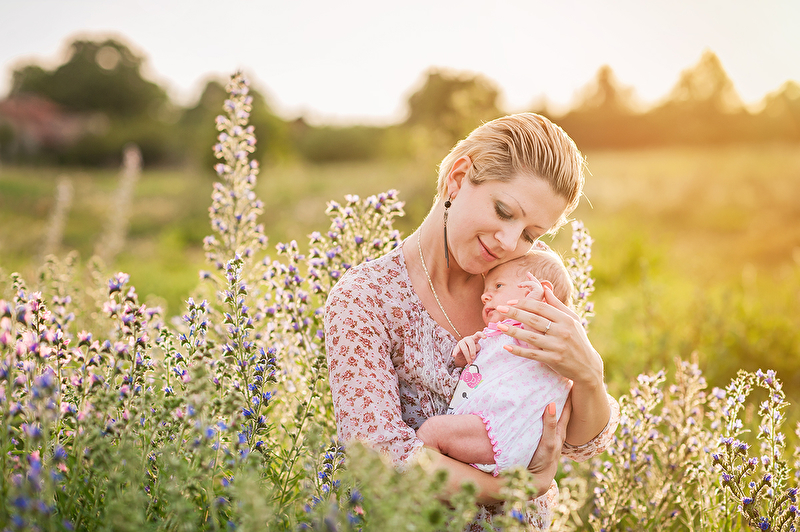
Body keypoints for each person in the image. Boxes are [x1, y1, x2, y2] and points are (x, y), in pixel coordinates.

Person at [324, 113, 619, 530]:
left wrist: (589, 375)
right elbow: (377, 455)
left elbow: (580, 441)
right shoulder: (365, 299)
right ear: (458, 178)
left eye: (531, 234)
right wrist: (515, 488)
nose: (509, 242)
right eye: (504, 211)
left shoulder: (522, 285)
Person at [415, 247, 574, 477]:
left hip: (503, 430)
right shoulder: (498, 335)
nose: (485, 296)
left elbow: (537, 344)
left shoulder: (537, 333)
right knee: (442, 456)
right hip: (487, 429)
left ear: (539, 292)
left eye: (498, 286)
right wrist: (466, 356)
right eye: (485, 290)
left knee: (432, 432)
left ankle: (405, 486)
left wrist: (535, 308)